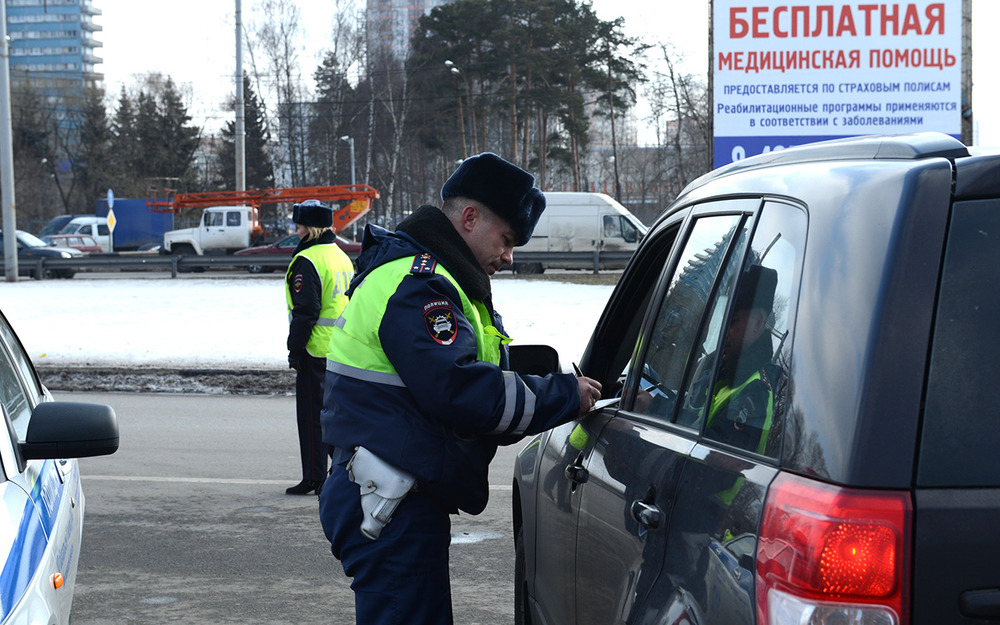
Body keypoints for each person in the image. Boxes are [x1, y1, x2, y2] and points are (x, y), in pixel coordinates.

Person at [317, 153, 603, 624]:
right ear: (469, 218)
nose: (510, 258)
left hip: (389, 492)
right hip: (390, 501)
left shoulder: (434, 278)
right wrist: (564, 395)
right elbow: (463, 393)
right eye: (508, 240)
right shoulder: (420, 285)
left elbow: (472, 384)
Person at [284, 199, 355, 495]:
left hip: (315, 350)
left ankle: (314, 478)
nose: (296, 230)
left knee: (312, 418)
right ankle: (346, 471)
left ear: (309, 228)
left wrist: (295, 348)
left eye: (299, 225)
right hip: (341, 348)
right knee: (336, 416)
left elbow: (306, 310)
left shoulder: (308, 259)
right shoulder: (339, 255)